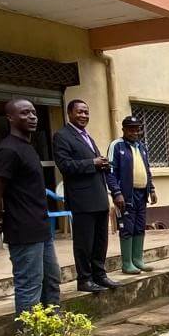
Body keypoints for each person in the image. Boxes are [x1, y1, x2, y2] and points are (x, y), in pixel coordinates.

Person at [0, 99, 61, 326]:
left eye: (34, 113)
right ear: (10, 118)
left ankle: (52, 330)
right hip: (23, 230)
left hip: (41, 227)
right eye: (25, 113)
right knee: (30, 287)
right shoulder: (7, 150)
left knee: (51, 281)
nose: (32, 117)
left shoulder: (28, 147)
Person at [52, 99, 118, 293]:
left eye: (86, 112)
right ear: (69, 113)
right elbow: (65, 165)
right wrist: (92, 163)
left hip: (98, 196)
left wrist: (103, 164)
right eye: (79, 112)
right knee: (84, 242)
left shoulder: (87, 136)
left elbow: (93, 162)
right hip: (82, 200)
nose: (83, 116)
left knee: (100, 240)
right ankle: (85, 279)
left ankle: (100, 275)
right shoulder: (62, 136)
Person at [107, 116, 157, 274]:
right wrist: (116, 193)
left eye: (137, 129)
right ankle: (127, 263)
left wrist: (152, 189)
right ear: (124, 129)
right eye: (131, 129)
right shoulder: (117, 146)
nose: (135, 132)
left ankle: (137, 260)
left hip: (141, 194)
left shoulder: (141, 147)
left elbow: (147, 169)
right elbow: (110, 171)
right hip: (125, 195)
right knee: (127, 227)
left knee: (139, 226)